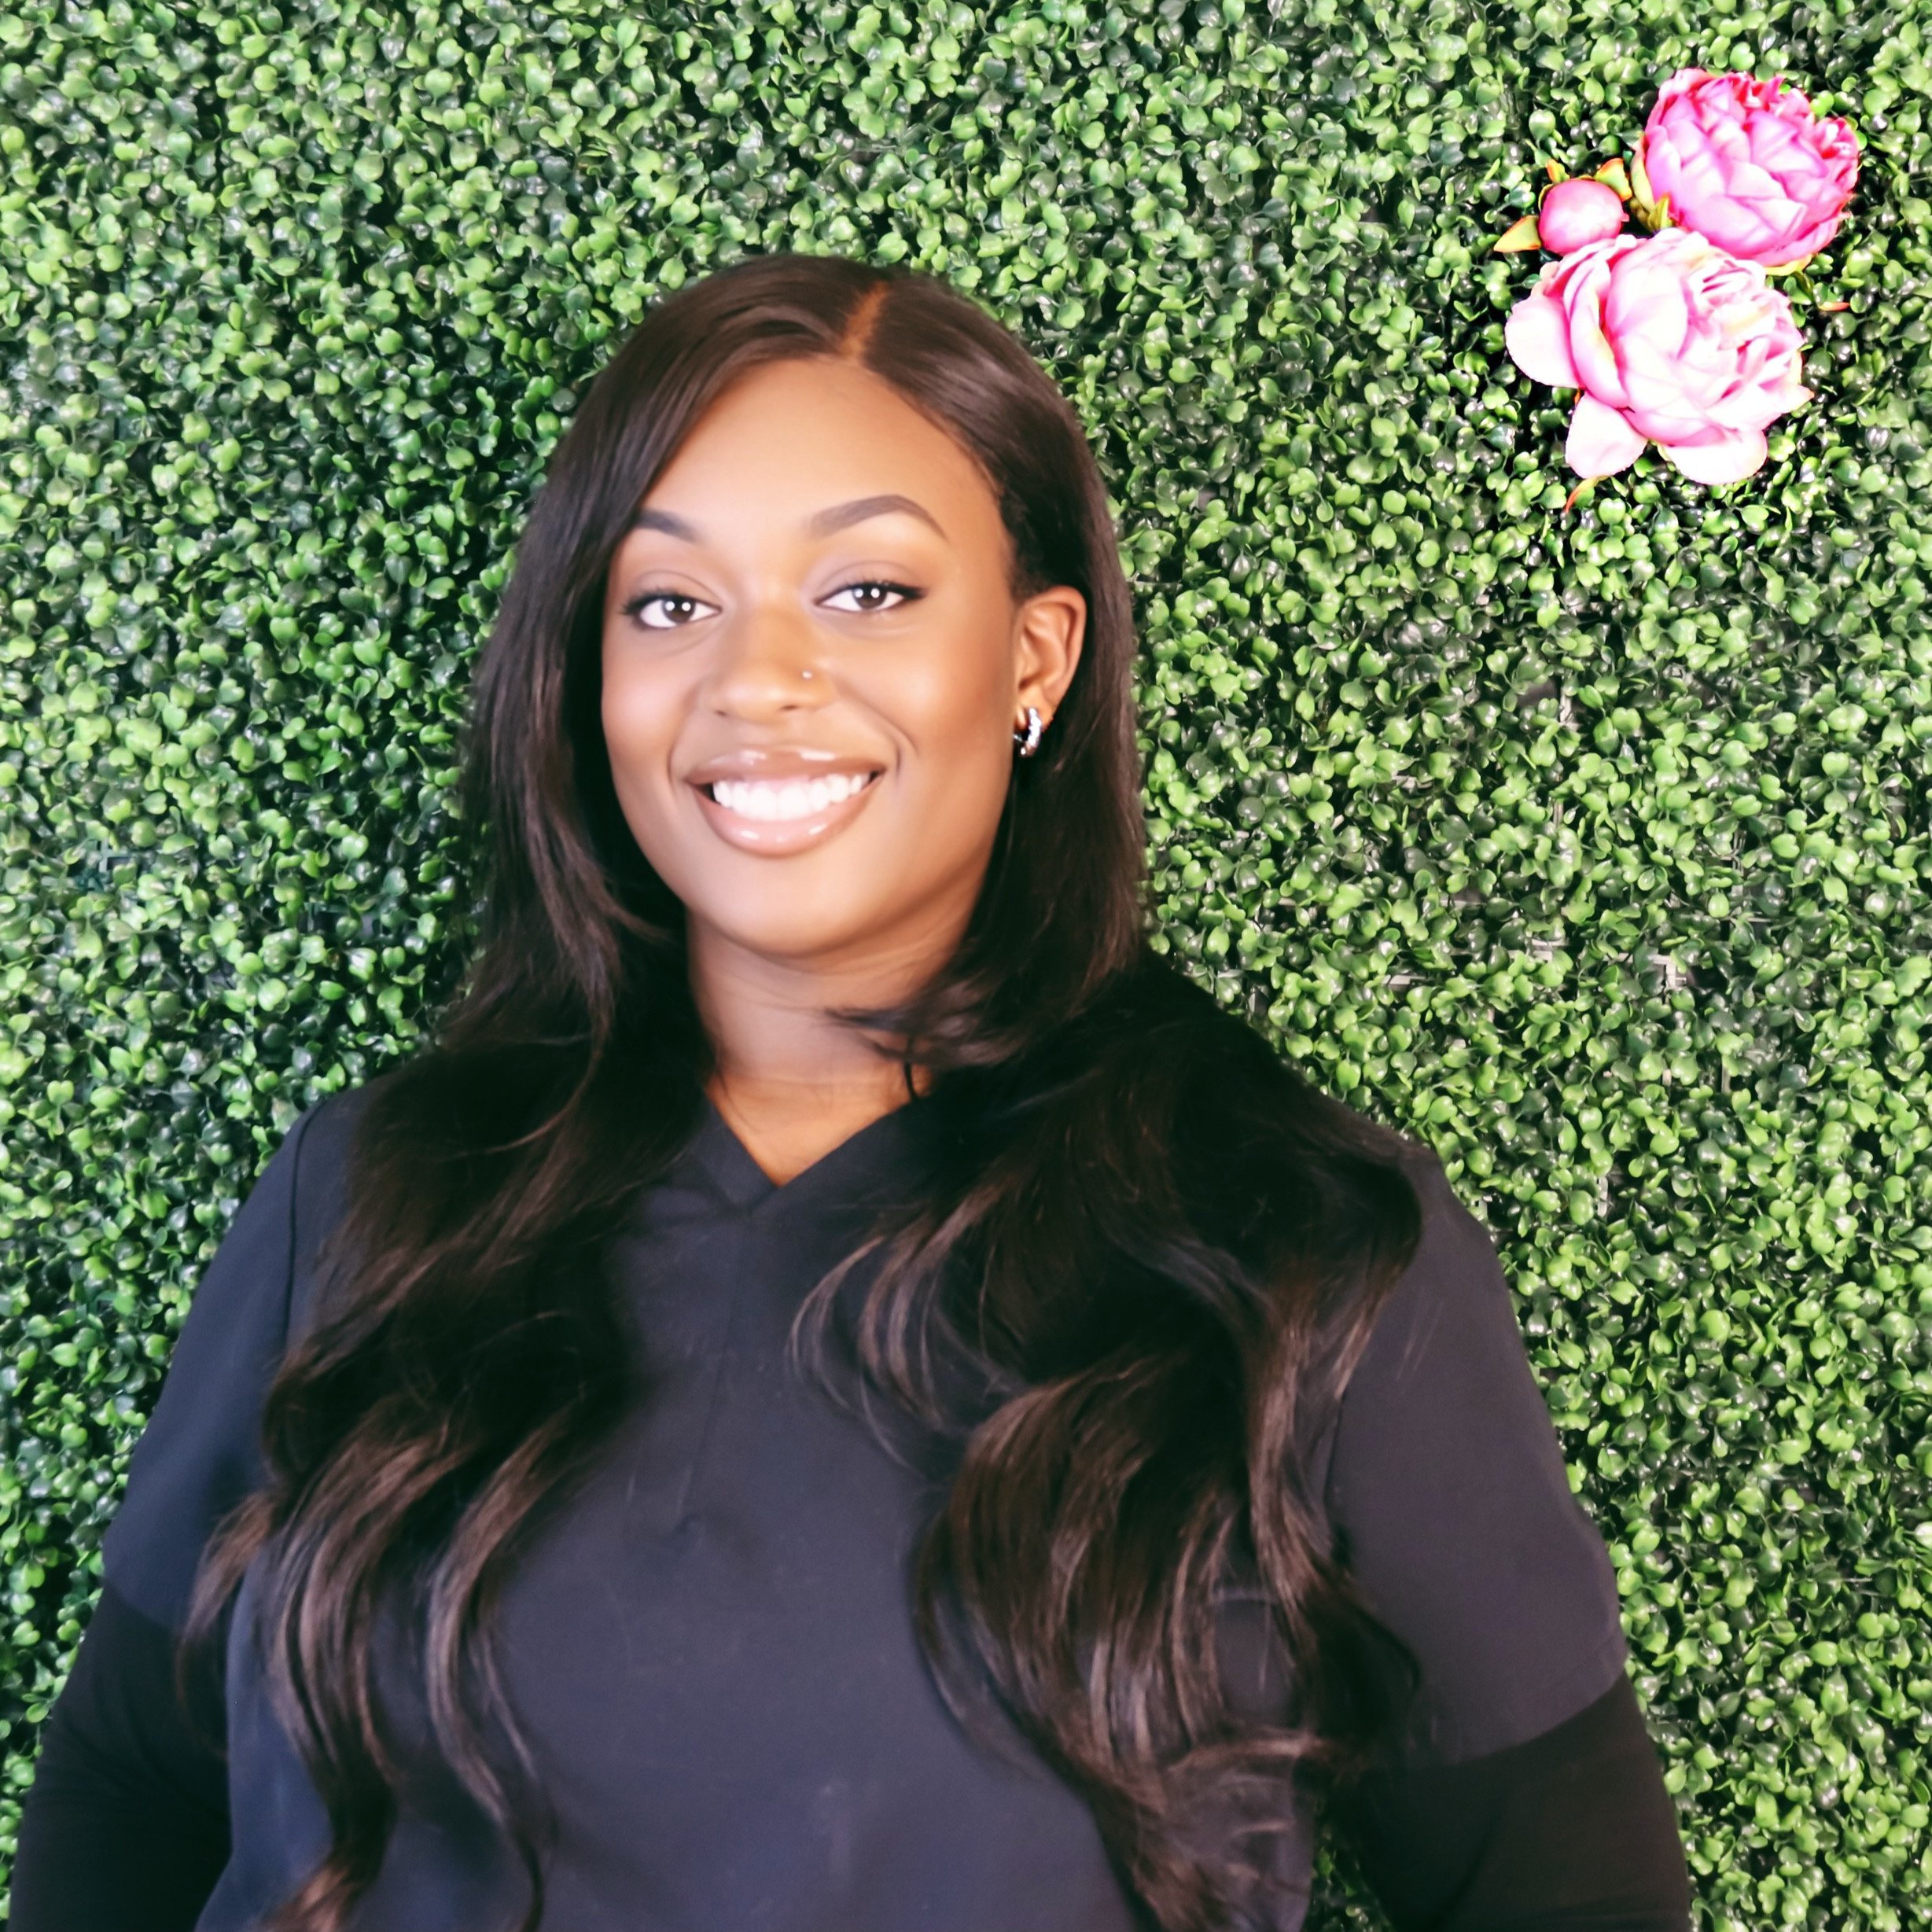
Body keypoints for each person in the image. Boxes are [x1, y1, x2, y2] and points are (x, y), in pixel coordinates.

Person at [12, 255, 1692, 1932]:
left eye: (868, 590)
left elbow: (1563, 1880)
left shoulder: (1304, 1247)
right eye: (669, 603)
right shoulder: (370, 1194)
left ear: (1034, 656)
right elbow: (130, 1784)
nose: (757, 679)